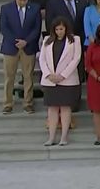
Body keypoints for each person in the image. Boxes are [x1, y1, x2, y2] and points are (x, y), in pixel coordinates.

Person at [39, 17, 82, 146]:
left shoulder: (75, 40)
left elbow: (76, 59)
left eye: (61, 29)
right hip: (50, 80)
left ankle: (64, 137)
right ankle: (51, 137)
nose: (59, 32)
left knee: (65, 108)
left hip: (67, 80)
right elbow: (42, 59)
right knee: (52, 109)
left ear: (66, 28)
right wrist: (48, 74)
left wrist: (62, 75)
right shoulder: (47, 40)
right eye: (57, 29)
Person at [0, 0, 41, 114]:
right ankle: (7, 103)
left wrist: (26, 41)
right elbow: (3, 28)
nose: (23, 2)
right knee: (9, 76)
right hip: (10, 47)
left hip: (28, 47)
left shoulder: (35, 8)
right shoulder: (6, 8)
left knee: (28, 76)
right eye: (21, 0)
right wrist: (15, 41)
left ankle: (28, 103)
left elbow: (36, 28)